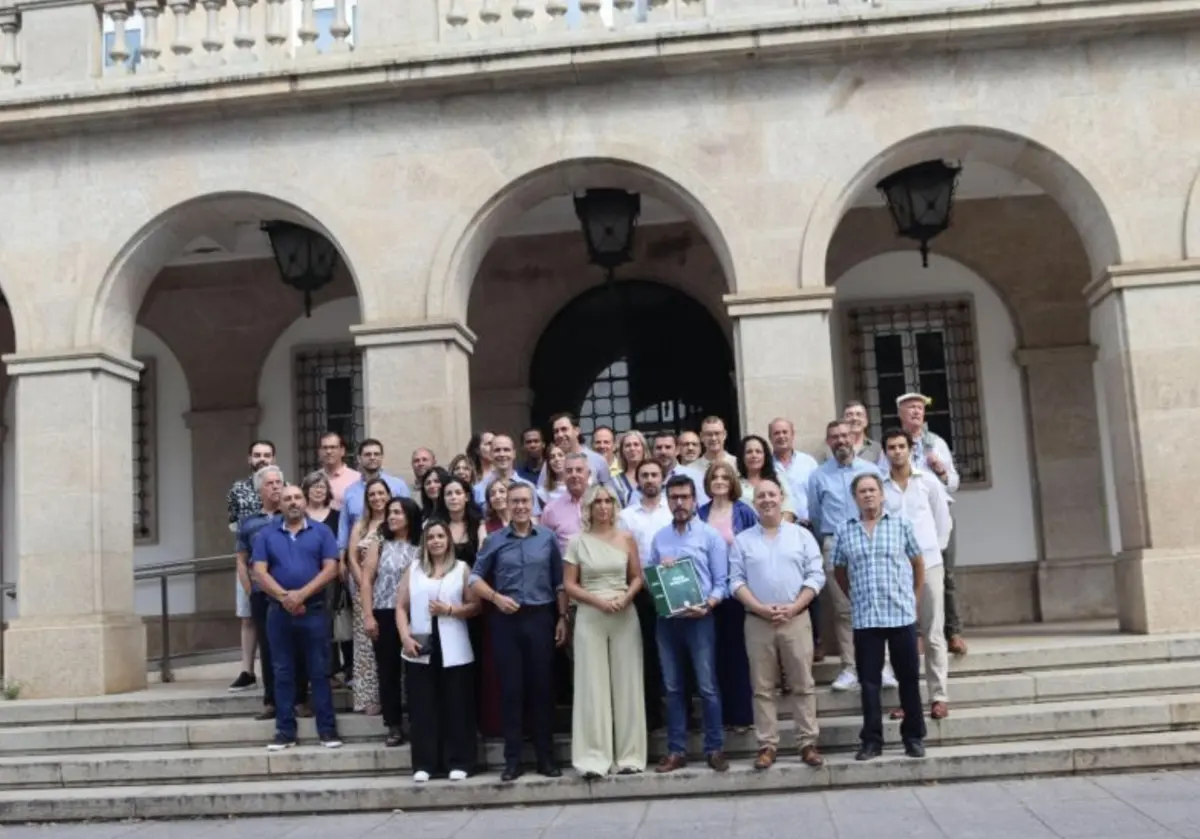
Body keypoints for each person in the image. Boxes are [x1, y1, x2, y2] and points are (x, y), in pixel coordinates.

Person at [469, 482, 568, 781]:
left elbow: (559, 582)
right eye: (515, 502)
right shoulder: (495, 540)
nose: (521, 506)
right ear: (507, 506)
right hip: (506, 621)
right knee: (511, 690)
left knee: (541, 689)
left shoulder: (548, 539)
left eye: (526, 501)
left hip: (541, 618)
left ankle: (545, 758)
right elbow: (474, 578)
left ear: (533, 505)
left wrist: (563, 617)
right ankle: (513, 760)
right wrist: (496, 598)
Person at [730, 480, 826, 770]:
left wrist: (795, 606)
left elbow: (816, 575)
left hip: (795, 619)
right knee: (762, 687)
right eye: (761, 496)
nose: (767, 500)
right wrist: (758, 607)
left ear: (782, 498)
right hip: (758, 621)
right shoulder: (743, 540)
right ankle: (767, 745)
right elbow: (735, 580)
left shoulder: (802, 536)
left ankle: (807, 742)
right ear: (754, 502)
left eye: (772, 494)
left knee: (802, 684)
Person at [832, 473, 927, 761]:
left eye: (873, 490)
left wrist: (914, 596)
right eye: (862, 491)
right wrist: (856, 597)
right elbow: (839, 570)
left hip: (900, 613)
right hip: (866, 618)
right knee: (869, 682)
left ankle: (913, 737)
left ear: (882, 494)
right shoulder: (844, 530)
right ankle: (872, 741)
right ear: (855, 498)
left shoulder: (900, 525)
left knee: (908, 678)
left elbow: (917, 562)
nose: (868, 495)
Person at [647, 475, 729, 773]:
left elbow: (723, 582)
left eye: (684, 497)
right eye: (674, 498)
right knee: (672, 689)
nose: (679, 503)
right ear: (667, 501)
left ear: (695, 500)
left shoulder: (710, 536)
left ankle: (715, 748)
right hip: (667, 623)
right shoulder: (659, 538)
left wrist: (707, 605)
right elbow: (651, 581)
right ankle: (676, 751)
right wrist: (659, 573)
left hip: (700, 620)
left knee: (707, 687)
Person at [250, 484, 342, 751]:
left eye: (297, 497)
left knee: (319, 671)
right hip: (278, 614)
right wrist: (284, 597)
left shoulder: (322, 531)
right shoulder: (266, 534)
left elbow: (331, 568)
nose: (293, 502)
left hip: (313, 611)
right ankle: (284, 732)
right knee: (282, 672)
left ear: (304, 502)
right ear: (279, 504)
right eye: (287, 498)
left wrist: (300, 595)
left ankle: (327, 731)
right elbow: (259, 571)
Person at [563, 484, 647, 778]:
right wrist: (598, 601)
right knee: (591, 686)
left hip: (624, 613)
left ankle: (630, 757)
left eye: (607, 501)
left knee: (628, 685)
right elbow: (570, 584)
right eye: (597, 502)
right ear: (588, 507)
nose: (602, 506)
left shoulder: (626, 538)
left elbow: (637, 576)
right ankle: (593, 759)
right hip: (590, 613)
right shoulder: (576, 541)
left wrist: (626, 597)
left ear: (614, 505)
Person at [881, 392, 966, 655]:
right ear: (900, 414)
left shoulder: (936, 443)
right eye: (910, 408)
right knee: (906, 579)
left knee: (945, 577)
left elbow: (953, 483)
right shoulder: (891, 445)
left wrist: (940, 469)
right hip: (905, 522)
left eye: (920, 408)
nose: (917, 412)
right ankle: (915, 632)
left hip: (938, 519)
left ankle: (953, 632)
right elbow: (880, 481)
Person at [398, 520, 481, 782]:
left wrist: (450, 611)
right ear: (425, 542)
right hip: (420, 646)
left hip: (454, 646)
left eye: (440, 536)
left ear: (448, 541)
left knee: (457, 705)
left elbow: (475, 606)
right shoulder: (413, 569)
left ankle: (459, 761)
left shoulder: (462, 569)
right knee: (423, 707)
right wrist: (405, 637)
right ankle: (425, 763)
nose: (435, 541)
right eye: (430, 537)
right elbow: (400, 606)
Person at [881, 428, 953, 721]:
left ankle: (938, 696)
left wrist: (931, 553)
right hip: (895, 568)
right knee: (901, 637)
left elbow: (943, 523)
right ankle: (907, 699)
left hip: (930, 564)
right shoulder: (881, 486)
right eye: (891, 447)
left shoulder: (929, 483)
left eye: (901, 446)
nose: (897, 451)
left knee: (934, 632)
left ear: (910, 449)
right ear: (885, 452)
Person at [807, 420, 882, 692]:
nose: (840, 441)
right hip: (835, 543)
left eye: (844, 435)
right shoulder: (818, 475)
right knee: (843, 610)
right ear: (828, 442)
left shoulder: (871, 470)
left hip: (870, 541)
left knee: (875, 603)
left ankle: (880, 666)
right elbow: (815, 514)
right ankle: (849, 667)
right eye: (834, 437)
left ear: (853, 437)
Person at [698, 461, 756, 734]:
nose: (719, 481)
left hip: (736, 593)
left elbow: (754, 549)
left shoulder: (744, 512)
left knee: (737, 654)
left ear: (732, 481)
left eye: (724, 476)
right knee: (713, 655)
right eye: (714, 477)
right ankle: (718, 717)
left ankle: (741, 715)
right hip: (709, 593)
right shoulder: (700, 513)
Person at [360, 496, 423, 746]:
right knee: (388, 672)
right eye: (390, 512)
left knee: (417, 671)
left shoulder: (421, 545)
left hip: (415, 615)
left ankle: (419, 721)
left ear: (409, 516)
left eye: (398, 512)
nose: (392, 517)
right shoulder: (380, 543)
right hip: (384, 612)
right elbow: (366, 580)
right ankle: (394, 725)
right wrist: (368, 615)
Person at [617, 458, 672, 732]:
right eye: (644, 475)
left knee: (674, 652)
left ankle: (679, 712)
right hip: (639, 591)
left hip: (671, 588)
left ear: (662, 478)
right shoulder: (626, 516)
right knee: (647, 654)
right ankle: (651, 715)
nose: (650, 479)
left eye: (654, 475)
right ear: (637, 480)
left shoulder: (672, 510)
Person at [345, 477, 390, 715]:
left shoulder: (395, 522)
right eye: (372, 494)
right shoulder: (361, 525)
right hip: (364, 591)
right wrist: (363, 582)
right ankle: (369, 698)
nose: (377, 498)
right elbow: (351, 556)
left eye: (381, 493)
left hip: (391, 592)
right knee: (366, 646)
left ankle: (393, 696)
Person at [303, 470, 349, 684]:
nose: (319, 491)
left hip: (332, 576)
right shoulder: (300, 517)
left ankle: (339, 669)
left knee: (333, 621)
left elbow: (342, 544)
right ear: (306, 491)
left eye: (322, 487)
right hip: (305, 577)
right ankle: (318, 670)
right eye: (314, 487)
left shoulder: (338, 516)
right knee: (313, 623)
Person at [737, 434, 797, 521]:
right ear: (742, 457)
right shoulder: (736, 483)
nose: (754, 455)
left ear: (765, 456)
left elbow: (789, 508)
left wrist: (776, 530)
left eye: (758, 451)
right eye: (749, 452)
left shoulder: (778, 479)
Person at [614, 430, 649, 507]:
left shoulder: (655, 475)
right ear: (622, 451)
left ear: (643, 449)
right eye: (628, 445)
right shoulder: (615, 481)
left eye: (636, 444)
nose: (632, 448)